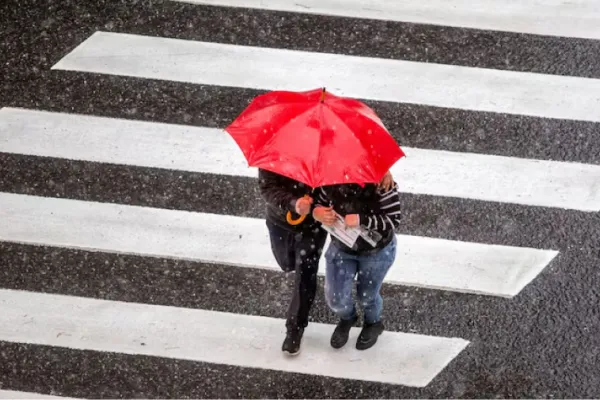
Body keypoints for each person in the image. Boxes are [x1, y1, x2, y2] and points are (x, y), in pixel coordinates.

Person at [258, 169, 394, 355]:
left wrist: (382, 170)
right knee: (289, 264)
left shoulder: (333, 157)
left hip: (318, 227)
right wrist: (296, 204)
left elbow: (393, 217)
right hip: (281, 219)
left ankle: (296, 328)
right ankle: (345, 316)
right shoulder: (275, 149)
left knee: (306, 273)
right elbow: (268, 187)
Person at [312, 178, 401, 351]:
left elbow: (393, 219)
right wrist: (318, 213)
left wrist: (362, 219)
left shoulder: (381, 181)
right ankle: (348, 318)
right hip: (341, 247)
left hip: (376, 251)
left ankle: (373, 323)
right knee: (335, 299)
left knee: (367, 296)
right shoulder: (329, 178)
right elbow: (319, 203)